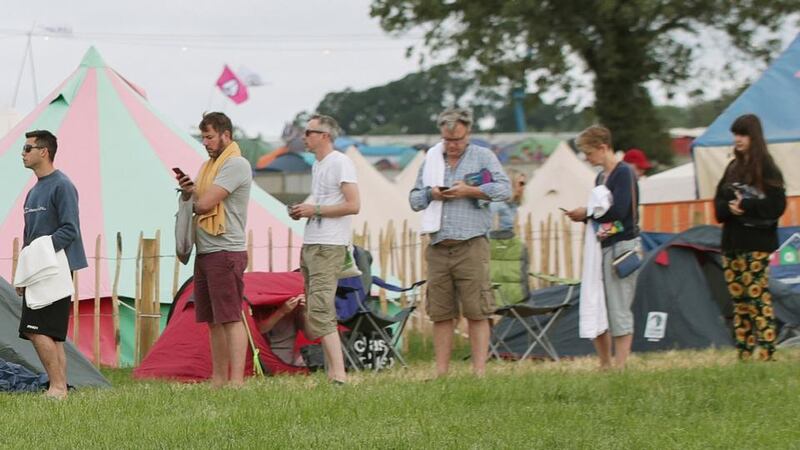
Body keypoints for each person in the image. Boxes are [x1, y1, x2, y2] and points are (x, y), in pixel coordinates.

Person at [409, 107, 510, 377]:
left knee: (477, 310)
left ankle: (479, 371)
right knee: (441, 312)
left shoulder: (483, 157)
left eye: (458, 140)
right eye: (448, 140)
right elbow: (414, 199)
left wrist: (470, 191)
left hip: (471, 244)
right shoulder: (431, 161)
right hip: (438, 245)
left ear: (468, 133)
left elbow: (504, 189)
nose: (452, 145)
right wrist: (431, 194)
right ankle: (441, 372)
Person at [176, 112, 252, 387]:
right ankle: (219, 379)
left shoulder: (236, 164)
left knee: (230, 317)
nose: (205, 143)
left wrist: (190, 199)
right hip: (207, 249)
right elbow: (201, 197)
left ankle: (236, 381)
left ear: (226, 135)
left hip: (225, 250)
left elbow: (206, 203)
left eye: (209, 137)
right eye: (203, 138)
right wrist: (189, 191)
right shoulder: (209, 167)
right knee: (213, 321)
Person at [289, 114, 359, 384]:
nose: (304, 137)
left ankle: (339, 374)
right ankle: (333, 372)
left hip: (329, 245)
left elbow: (353, 205)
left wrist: (314, 209)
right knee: (317, 307)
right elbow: (323, 202)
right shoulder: (318, 165)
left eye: (309, 132)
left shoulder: (341, 162)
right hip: (314, 242)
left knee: (319, 308)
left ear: (325, 136)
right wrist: (304, 211)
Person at [17, 130, 87, 399]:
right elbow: (28, 237)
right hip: (37, 268)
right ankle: (59, 387)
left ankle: (57, 386)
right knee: (51, 333)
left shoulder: (62, 185)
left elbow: (70, 230)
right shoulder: (33, 191)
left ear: (43, 152)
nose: (22, 154)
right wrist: (25, 273)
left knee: (35, 330)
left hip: (55, 267)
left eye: (27, 148)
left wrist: (40, 256)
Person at [566, 125, 640, 369]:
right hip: (604, 245)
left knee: (619, 305)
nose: (587, 158)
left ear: (603, 147)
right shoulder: (600, 178)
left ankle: (620, 364)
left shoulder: (624, 173)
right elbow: (603, 214)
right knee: (598, 303)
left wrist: (587, 214)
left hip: (623, 247)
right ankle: (605, 362)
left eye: (589, 152)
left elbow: (621, 212)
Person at [713, 114, 786, 361]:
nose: (738, 139)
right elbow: (718, 204)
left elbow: (777, 205)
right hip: (732, 241)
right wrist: (728, 208)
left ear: (754, 136)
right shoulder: (732, 167)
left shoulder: (766, 166)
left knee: (756, 295)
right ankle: (744, 353)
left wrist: (748, 205)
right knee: (739, 299)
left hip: (757, 242)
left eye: (742, 134)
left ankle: (767, 352)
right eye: (735, 134)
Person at [254, 295, 306, 366]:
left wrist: (305, 310)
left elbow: (311, 335)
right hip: (261, 356)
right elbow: (260, 330)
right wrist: (281, 311)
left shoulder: (295, 306)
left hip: (285, 356)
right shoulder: (257, 304)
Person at [489, 169, 525, 234]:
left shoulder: (514, 206)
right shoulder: (497, 204)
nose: (523, 186)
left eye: (524, 183)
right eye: (521, 183)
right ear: (512, 183)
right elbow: (489, 230)